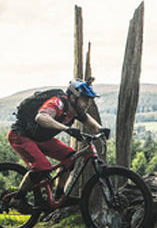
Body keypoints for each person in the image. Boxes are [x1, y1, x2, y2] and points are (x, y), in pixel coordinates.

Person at [7, 78, 107, 206]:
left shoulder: (75, 110)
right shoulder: (58, 103)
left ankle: (59, 197)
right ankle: (18, 198)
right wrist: (67, 129)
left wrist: (101, 129)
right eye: (85, 99)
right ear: (73, 98)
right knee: (42, 166)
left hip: (40, 138)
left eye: (89, 100)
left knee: (70, 157)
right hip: (20, 135)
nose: (87, 104)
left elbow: (86, 118)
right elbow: (41, 117)